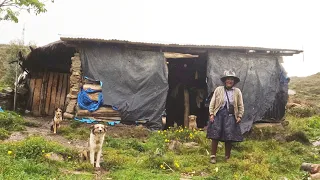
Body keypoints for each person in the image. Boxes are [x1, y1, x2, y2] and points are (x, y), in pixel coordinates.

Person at [207, 69, 244, 164]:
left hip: (231, 115)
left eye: (232, 79)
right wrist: (211, 114)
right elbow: (212, 102)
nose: (230, 81)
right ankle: (213, 156)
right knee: (215, 135)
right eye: (228, 79)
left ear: (234, 82)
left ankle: (227, 157)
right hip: (218, 114)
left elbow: (240, 105)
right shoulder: (219, 90)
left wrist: (239, 116)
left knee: (229, 136)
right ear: (225, 81)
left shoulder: (237, 91)